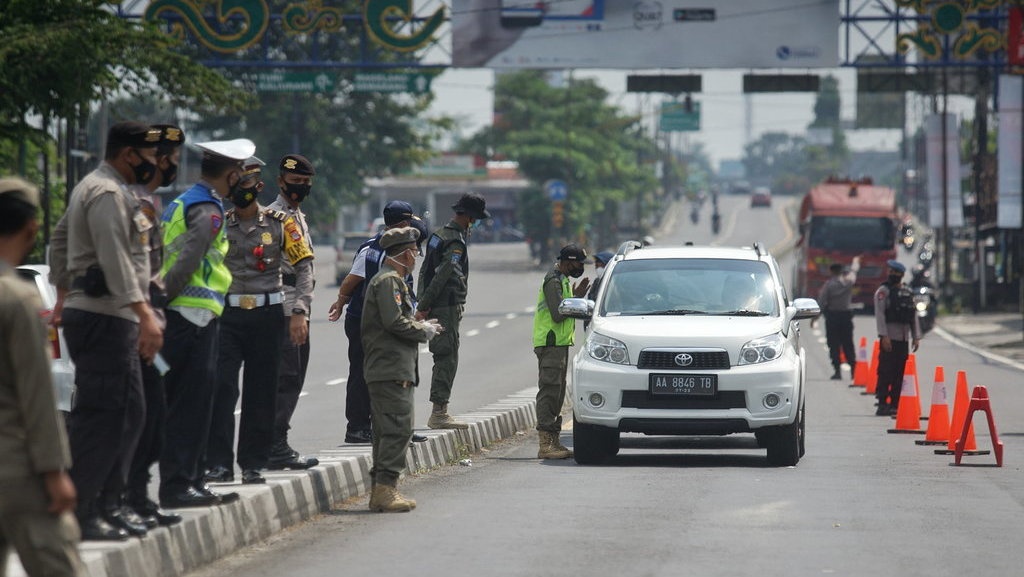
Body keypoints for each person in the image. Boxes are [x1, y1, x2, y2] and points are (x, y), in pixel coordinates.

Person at [47, 121, 164, 540]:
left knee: (128, 414)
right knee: (103, 416)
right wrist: (145, 314)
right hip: (105, 316)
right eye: (148, 158)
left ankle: (105, 504)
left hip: (108, 315)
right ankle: (80, 513)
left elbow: (59, 240)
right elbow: (115, 259)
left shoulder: (98, 188)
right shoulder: (107, 192)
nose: (153, 165)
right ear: (128, 154)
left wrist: (63, 293)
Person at [205, 158, 314, 486]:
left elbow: (304, 268)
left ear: (260, 187)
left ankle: (253, 463)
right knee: (222, 389)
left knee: (262, 390)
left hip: (269, 314)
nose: (242, 191)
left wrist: (300, 312)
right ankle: (219, 464)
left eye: (248, 184)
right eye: (236, 184)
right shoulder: (220, 225)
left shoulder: (281, 224)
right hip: (229, 315)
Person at [158, 138, 253, 508]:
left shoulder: (186, 201)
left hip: (189, 315)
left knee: (195, 404)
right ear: (231, 174)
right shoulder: (206, 210)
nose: (242, 182)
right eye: (241, 174)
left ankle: (192, 481)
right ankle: (179, 485)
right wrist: (161, 302)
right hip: (188, 315)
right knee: (190, 406)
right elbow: (184, 264)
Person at [0, 177, 85, 577]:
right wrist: (56, 474)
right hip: (17, 470)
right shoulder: (18, 300)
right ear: (32, 228)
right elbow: (39, 396)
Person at [117, 123, 185, 529]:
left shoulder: (149, 203)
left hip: (152, 321)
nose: (168, 166)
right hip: (131, 323)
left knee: (153, 418)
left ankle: (138, 499)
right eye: (167, 159)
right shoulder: (124, 200)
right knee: (132, 418)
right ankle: (119, 500)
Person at [328, 200, 428, 445]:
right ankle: (358, 428)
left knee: (391, 375)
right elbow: (352, 281)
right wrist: (341, 303)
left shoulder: (394, 246)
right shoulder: (374, 248)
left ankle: (395, 426)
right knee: (363, 374)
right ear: (403, 224)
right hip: (367, 322)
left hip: (385, 320)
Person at [361, 227, 442, 512]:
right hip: (389, 368)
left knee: (389, 430)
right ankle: (385, 489)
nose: (417, 257)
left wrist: (422, 327)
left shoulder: (391, 281)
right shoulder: (388, 282)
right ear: (406, 253)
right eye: (416, 252)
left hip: (393, 367)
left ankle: (383, 490)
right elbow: (395, 322)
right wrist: (425, 330)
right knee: (397, 429)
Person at [416, 192, 490, 430]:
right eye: (475, 219)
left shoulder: (439, 235)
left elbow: (424, 272)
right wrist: (424, 305)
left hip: (436, 303)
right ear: (468, 217)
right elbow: (441, 275)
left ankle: (440, 410)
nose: (474, 224)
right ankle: (439, 412)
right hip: (445, 305)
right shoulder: (455, 241)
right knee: (447, 357)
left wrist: (422, 300)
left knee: (443, 354)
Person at [266, 154, 319, 471]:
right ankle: (274, 445)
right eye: (294, 182)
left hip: (298, 307)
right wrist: (298, 311)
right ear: (280, 182)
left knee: (294, 378)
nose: (299, 188)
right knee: (285, 379)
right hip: (286, 307)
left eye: (304, 183)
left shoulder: (298, 215)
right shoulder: (274, 216)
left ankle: (276, 443)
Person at [533, 244, 591, 459]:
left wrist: (575, 296)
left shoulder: (563, 279)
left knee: (558, 391)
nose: (580, 268)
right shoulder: (554, 280)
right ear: (568, 261)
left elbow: (562, 305)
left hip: (559, 343)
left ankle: (554, 441)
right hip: (550, 342)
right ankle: (545, 443)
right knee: (549, 390)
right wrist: (577, 303)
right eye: (578, 263)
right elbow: (558, 314)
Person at [873, 260, 921, 416]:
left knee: (900, 373)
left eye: (896, 273)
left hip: (903, 339)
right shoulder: (883, 291)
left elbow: (913, 316)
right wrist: (883, 336)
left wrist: (916, 336)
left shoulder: (907, 292)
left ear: (901, 274)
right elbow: (879, 315)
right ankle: (882, 403)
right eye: (891, 272)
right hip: (889, 338)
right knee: (885, 371)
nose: (893, 275)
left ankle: (895, 403)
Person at [817, 256, 860, 381]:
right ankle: (853, 371)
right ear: (841, 271)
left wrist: (815, 317)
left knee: (833, 345)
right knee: (848, 344)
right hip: (846, 317)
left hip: (833, 318)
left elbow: (821, 302)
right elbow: (854, 272)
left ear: (831, 272)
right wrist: (855, 262)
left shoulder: (829, 285)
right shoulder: (848, 281)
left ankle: (837, 372)